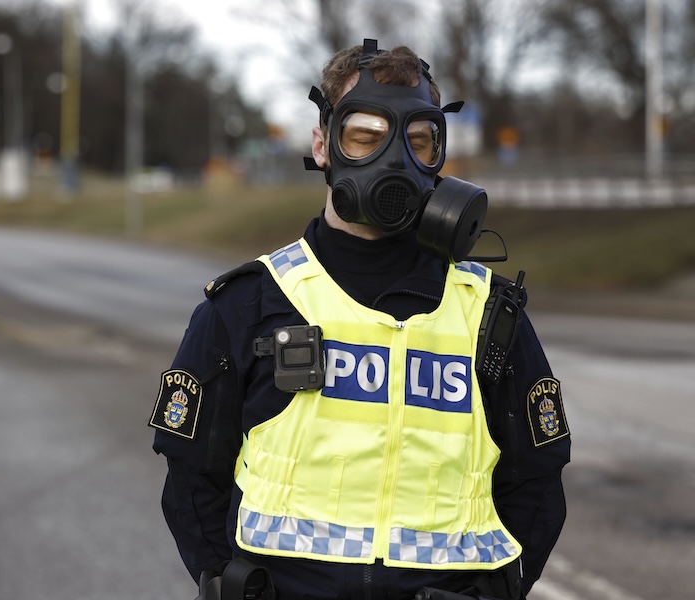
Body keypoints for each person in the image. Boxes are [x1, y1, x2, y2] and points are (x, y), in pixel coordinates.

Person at [149, 39, 570, 600]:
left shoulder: (488, 314)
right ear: (323, 143)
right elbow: (191, 479)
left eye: (418, 141)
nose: (394, 159)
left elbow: (536, 485)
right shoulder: (249, 304)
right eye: (366, 137)